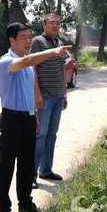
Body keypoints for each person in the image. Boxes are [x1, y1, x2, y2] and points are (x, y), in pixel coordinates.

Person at [0, 22, 71, 212]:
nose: (28, 41)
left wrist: (33, 116)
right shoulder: (6, 61)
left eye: (30, 37)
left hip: (28, 118)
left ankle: (25, 204)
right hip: (11, 120)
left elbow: (29, 88)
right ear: (12, 40)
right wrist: (52, 52)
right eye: (24, 38)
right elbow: (26, 60)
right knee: (6, 167)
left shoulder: (28, 65)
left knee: (27, 166)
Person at [31, 13, 68, 188]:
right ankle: (30, 175)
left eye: (58, 23)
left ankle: (45, 170)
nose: (55, 26)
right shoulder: (38, 42)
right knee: (40, 135)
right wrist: (37, 94)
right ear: (44, 24)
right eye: (52, 23)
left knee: (52, 135)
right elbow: (32, 67)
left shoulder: (59, 43)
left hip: (58, 96)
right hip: (44, 97)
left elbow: (62, 69)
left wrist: (64, 94)